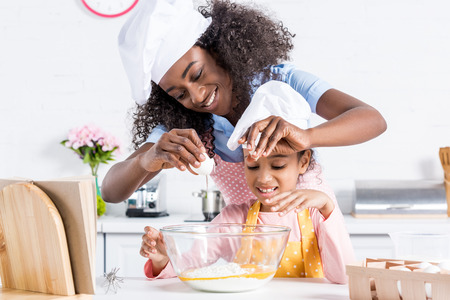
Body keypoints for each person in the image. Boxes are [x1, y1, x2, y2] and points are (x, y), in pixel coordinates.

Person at [102, 0, 387, 215]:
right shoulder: (186, 124)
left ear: (217, 50)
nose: (198, 96)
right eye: (179, 94)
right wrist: (146, 160)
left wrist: (308, 136)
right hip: (251, 249)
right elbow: (111, 191)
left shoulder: (281, 80)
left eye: (198, 75)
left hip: (312, 234)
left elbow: (372, 119)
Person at [139, 81, 356, 284]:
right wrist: (162, 259)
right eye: (252, 166)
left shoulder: (316, 215)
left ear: (303, 162)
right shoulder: (235, 219)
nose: (263, 178)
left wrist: (328, 206)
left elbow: (343, 276)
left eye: (278, 166)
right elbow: (192, 264)